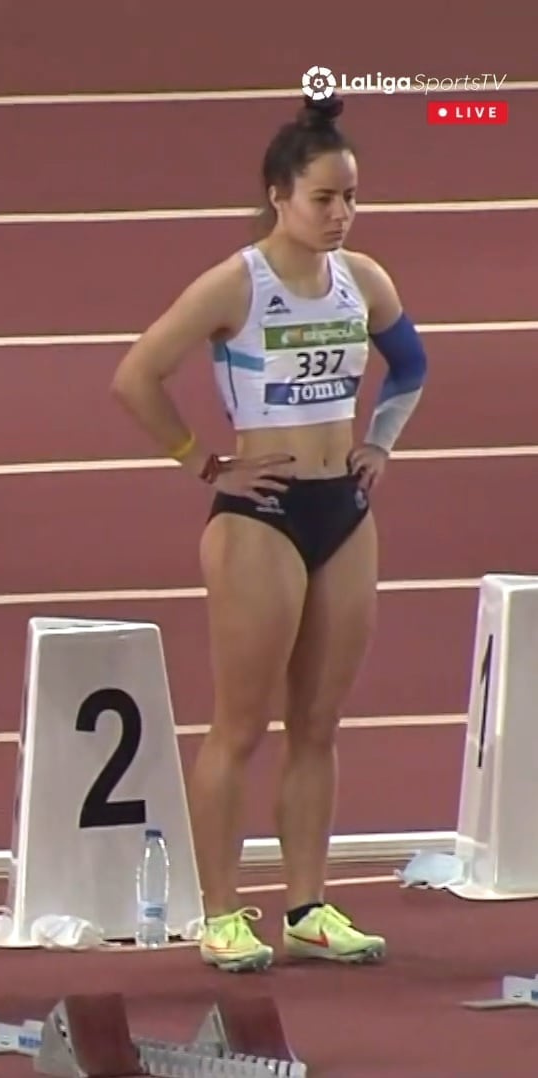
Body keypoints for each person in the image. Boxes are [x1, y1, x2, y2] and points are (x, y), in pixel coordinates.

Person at [109, 94, 426, 973]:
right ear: (279, 195)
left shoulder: (365, 280)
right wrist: (205, 464)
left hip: (344, 512)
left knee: (319, 723)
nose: (341, 215)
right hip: (262, 517)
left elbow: (413, 364)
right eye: (324, 198)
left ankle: (308, 905)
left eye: (352, 198)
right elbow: (136, 376)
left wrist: (379, 445)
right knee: (241, 725)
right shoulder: (236, 284)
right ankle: (219, 912)